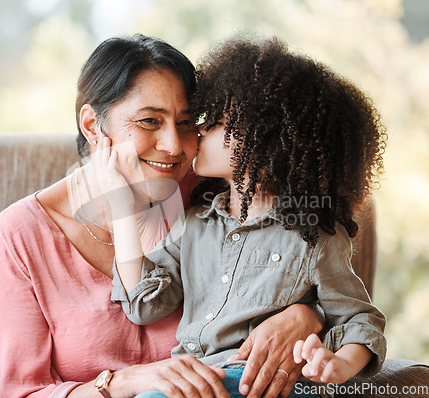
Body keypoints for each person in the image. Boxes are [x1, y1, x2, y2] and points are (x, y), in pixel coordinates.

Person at [0, 34, 325, 398]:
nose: (174, 146)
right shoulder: (20, 236)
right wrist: (124, 382)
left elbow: (318, 266)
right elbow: (19, 392)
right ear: (93, 126)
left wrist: (305, 315)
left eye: (186, 122)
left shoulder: (217, 195)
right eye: (149, 121)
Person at [97, 37, 388, 397]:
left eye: (218, 122)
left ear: (269, 145)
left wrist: (340, 364)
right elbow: (143, 305)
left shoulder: (315, 235)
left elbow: (360, 319)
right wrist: (123, 210)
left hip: (270, 382)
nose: (199, 131)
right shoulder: (194, 224)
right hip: (199, 380)